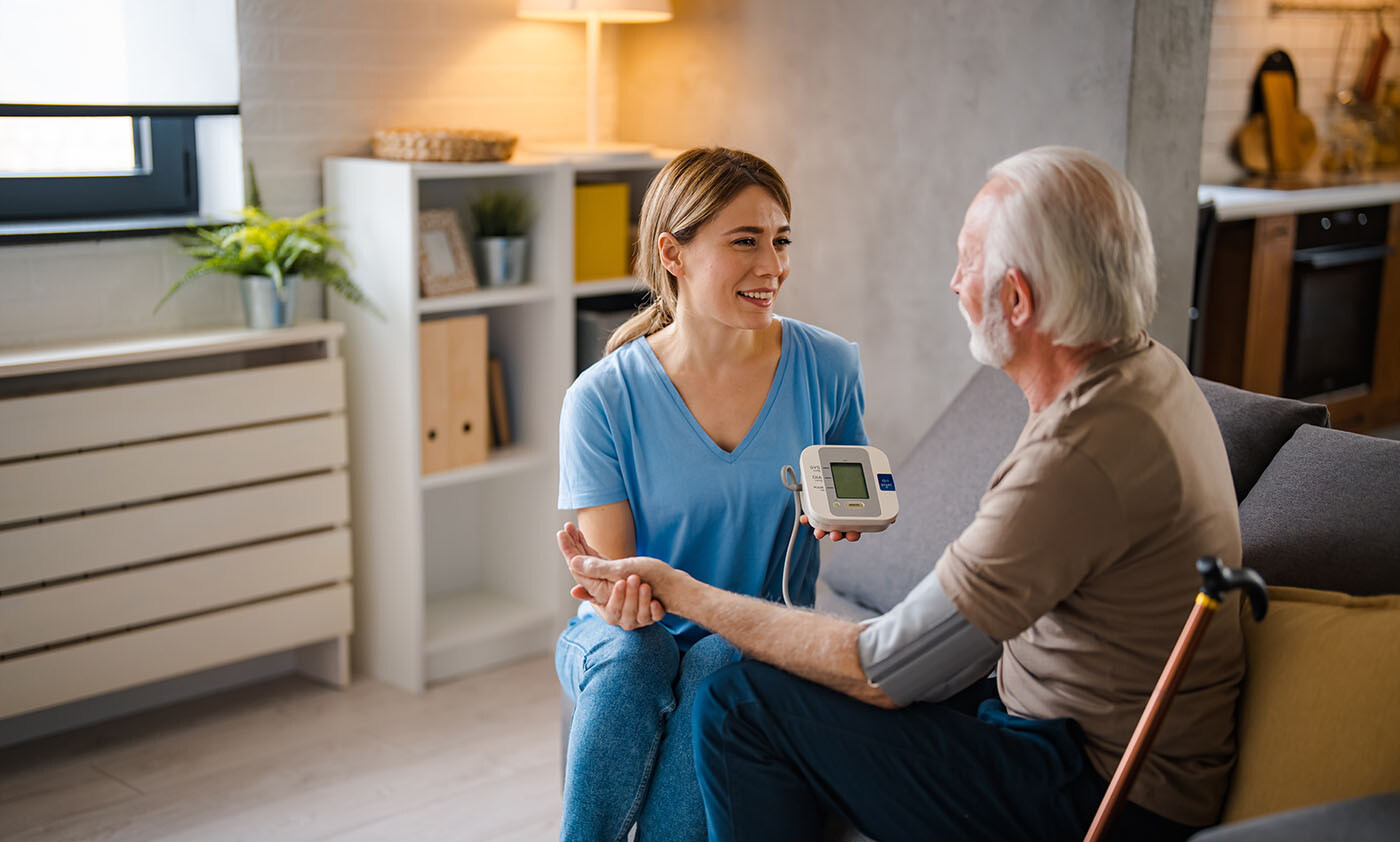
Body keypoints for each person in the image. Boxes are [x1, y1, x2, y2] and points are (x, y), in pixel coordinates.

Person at [561, 146, 1247, 842]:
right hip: (1061, 730)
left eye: (968, 262)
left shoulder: (1077, 450)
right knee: (656, 664)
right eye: (748, 241)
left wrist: (684, 592)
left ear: (1016, 297)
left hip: (1096, 782)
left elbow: (886, 668)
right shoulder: (1149, 376)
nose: (953, 284)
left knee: (737, 699)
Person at [554, 146, 869, 842]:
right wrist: (617, 594)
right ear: (674, 253)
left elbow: (851, 482)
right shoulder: (602, 399)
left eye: (781, 240)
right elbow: (621, 592)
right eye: (746, 241)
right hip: (627, 632)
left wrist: (841, 517)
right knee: (642, 655)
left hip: (757, 632)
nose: (773, 266)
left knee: (721, 663)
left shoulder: (830, 366)